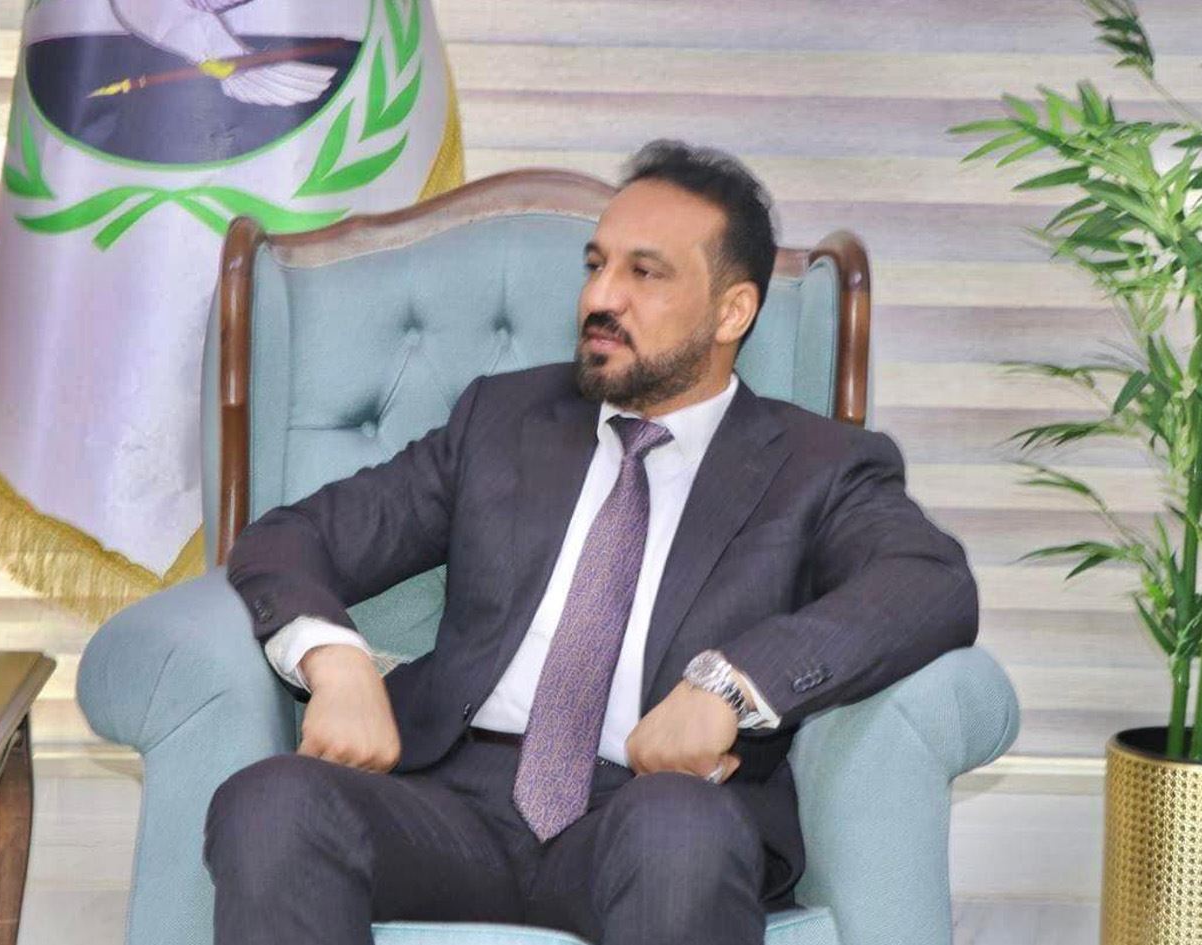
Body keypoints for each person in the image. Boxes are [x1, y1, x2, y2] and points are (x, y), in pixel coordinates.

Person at [203, 139, 980, 945]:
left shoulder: (817, 465)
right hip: (448, 802)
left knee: (681, 825)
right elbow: (293, 537)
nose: (601, 297)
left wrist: (731, 686)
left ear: (732, 312)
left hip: (646, 813)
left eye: (645, 273)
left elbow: (929, 580)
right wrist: (337, 660)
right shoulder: (502, 420)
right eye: (596, 265)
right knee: (270, 803)